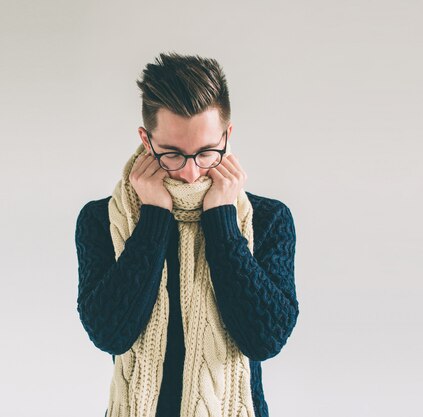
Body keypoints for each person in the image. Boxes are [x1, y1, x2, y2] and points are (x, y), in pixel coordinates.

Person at [74, 52, 299, 417]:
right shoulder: (101, 220)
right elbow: (110, 334)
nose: (192, 173)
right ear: (147, 141)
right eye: (173, 155)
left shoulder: (268, 219)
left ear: (227, 136)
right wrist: (153, 218)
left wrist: (222, 219)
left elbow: (264, 340)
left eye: (207, 152)